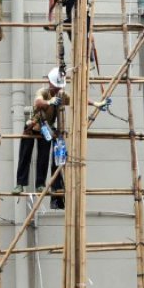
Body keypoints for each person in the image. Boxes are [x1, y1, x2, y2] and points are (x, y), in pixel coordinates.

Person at [14, 67, 105, 208]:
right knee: (25, 156)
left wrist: (95, 104)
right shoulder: (43, 92)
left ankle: (40, 184)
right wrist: (49, 102)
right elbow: (38, 102)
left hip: (46, 130)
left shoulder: (61, 95)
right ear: (50, 83)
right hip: (33, 127)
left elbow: (78, 99)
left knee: (43, 158)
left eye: (59, 87)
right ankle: (20, 184)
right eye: (55, 86)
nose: (57, 89)